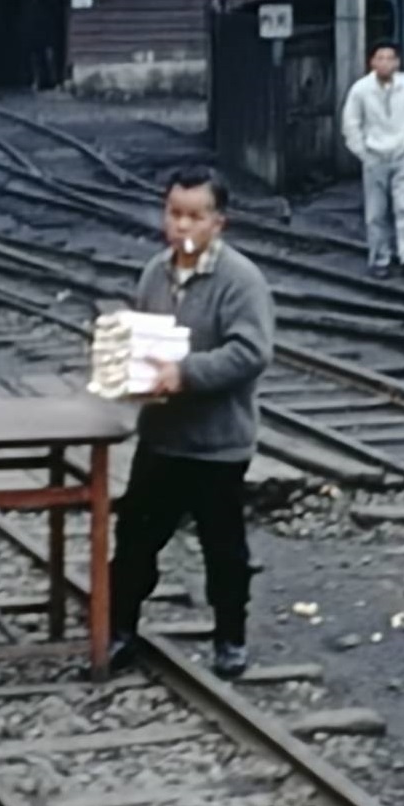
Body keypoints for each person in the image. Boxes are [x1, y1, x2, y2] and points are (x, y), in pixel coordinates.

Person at [108, 168, 275, 679]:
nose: (182, 225)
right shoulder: (154, 272)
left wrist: (186, 374)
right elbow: (143, 337)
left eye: (195, 216)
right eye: (174, 213)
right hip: (162, 436)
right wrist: (127, 369)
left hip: (218, 443)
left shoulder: (240, 280)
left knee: (223, 547)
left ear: (218, 222)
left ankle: (230, 638)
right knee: (135, 538)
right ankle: (119, 630)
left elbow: (251, 352)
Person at [341, 39, 404, 279]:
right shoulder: (361, 89)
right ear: (372, 62)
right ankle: (380, 258)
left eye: (390, 58)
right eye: (380, 58)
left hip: (403, 153)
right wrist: (363, 152)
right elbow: (351, 123)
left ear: (398, 62)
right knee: (376, 212)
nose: (385, 63)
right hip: (375, 155)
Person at [18, 0, 57, 92]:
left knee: (48, 59)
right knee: (34, 61)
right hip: (32, 36)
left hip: (46, 35)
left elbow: (52, 15)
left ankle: (52, 82)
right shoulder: (26, 2)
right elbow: (23, 19)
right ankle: (36, 81)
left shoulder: (46, 1)